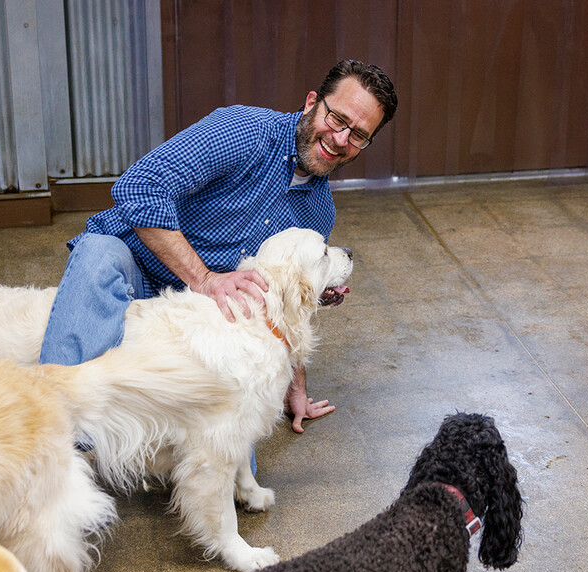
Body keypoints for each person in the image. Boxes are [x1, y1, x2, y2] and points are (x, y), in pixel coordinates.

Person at [40, 59, 397, 434]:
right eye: (338, 119)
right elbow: (138, 188)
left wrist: (296, 388)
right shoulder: (244, 131)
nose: (341, 139)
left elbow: (287, 303)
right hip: (134, 274)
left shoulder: (318, 213)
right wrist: (205, 279)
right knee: (99, 252)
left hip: (198, 329)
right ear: (312, 102)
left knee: (230, 456)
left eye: (358, 135)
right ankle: (52, 428)